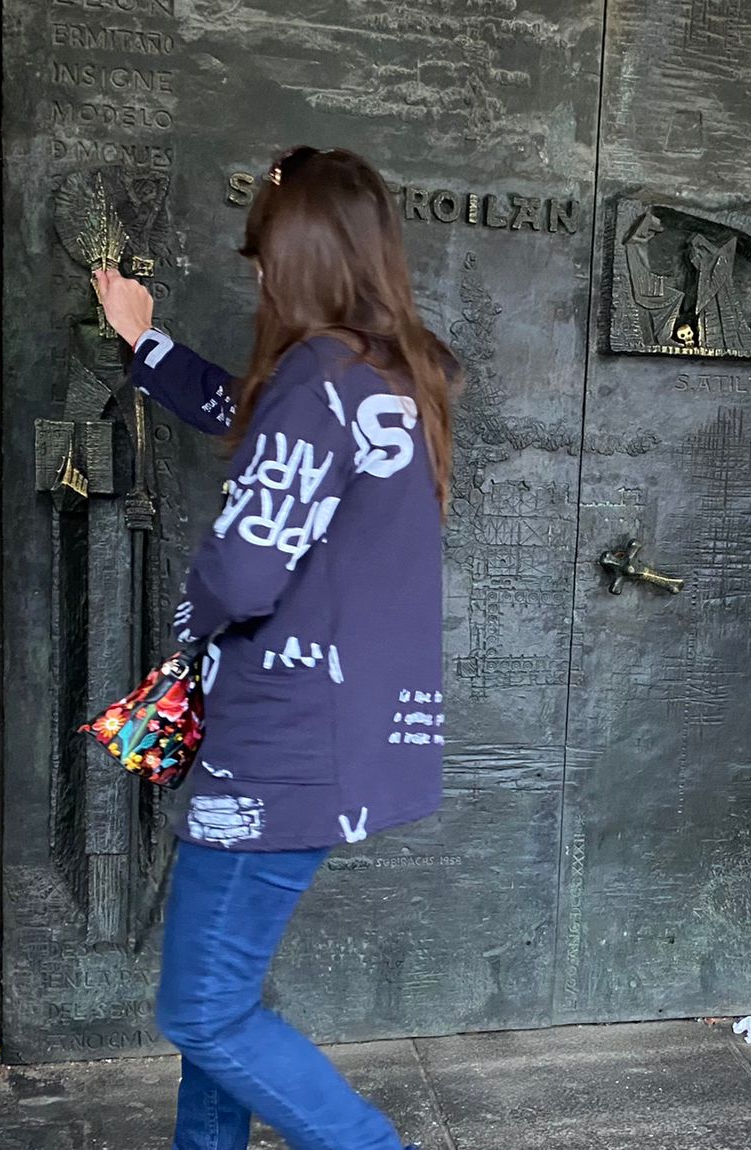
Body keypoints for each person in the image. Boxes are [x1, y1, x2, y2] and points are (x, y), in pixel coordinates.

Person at [92, 144, 457, 1150]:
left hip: (281, 742)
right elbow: (255, 426)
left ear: (295, 262)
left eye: (260, 259)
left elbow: (246, 570)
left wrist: (190, 621)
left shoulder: (315, 377)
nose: (254, 277)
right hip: (340, 735)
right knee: (220, 991)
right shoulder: (393, 377)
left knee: (204, 1009)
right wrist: (148, 345)